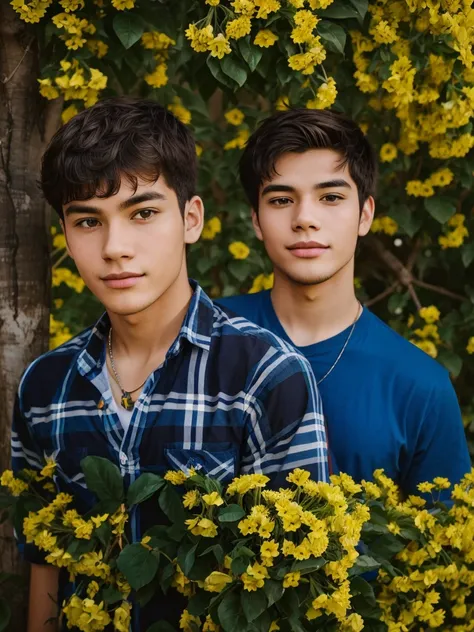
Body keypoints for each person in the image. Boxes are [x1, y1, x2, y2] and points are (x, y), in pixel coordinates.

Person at [11, 98, 330, 632]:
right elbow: (47, 570)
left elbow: (295, 588)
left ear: (191, 218)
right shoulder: (45, 387)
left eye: (142, 212)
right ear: (65, 233)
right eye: (88, 220)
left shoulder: (266, 375)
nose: (115, 248)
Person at [218, 107, 470, 500]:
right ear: (256, 220)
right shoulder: (201, 336)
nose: (305, 218)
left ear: (365, 214)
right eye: (282, 200)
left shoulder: (420, 387)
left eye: (331, 197)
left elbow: (438, 553)